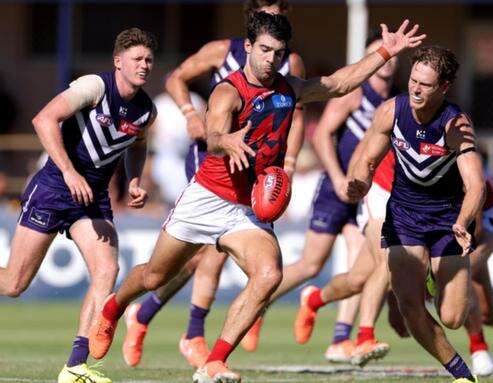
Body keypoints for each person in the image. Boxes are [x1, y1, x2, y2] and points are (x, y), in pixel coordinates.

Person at [89, 13, 425, 383]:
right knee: (154, 276)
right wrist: (225, 141)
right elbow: (214, 133)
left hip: (247, 207)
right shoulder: (228, 91)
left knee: (269, 275)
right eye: (264, 50)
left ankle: (215, 360)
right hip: (207, 197)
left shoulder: (288, 89)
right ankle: (114, 307)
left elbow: (337, 84)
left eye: (278, 53)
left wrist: (383, 54)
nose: (271, 60)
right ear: (248, 47)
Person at [122, 0, 306, 369]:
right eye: (270, 13)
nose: (276, 20)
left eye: (282, 15)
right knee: (201, 255)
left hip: (255, 170)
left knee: (216, 258)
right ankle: (179, 329)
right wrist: (192, 115)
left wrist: (287, 162)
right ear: (252, 23)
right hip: (214, 157)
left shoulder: (290, 63)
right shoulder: (223, 51)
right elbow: (176, 78)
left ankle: (172, 326)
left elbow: (296, 113)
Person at [0, 28, 157, 383]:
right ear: (118, 62)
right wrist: (70, 172)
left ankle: (75, 365)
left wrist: (134, 181)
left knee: (107, 270)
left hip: (94, 197)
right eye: (137, 59)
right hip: (56, 187)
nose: (144, 65)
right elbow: (43, 119)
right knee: (13, 284)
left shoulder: (146, 110)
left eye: (148, 59)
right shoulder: (94, 87)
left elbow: (136, 144)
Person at [254, 31, 399, 364]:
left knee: (358, 264)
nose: (387, 61)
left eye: (390, 55)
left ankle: (340, 339)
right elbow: (320, 135)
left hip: (367, 194)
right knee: (310, 264)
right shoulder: (356, 94)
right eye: (378, 54)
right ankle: (258, 304)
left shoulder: (396, 101)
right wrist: (336, 177)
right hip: (337, 189)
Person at [344, 45, 484, 383]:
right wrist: (360, 183)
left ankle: (437, 277)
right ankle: (462, 374)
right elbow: (368, 159)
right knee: (409, 306)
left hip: (447, 221)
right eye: (413, 81)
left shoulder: (456, 125)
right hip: (404, 216)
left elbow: (476, 185)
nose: (415, 89)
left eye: (425, 84)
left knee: (451, 317)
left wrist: (463, 223)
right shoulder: (391, 111)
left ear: (444, 87)